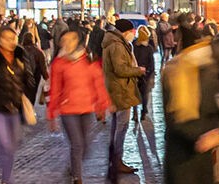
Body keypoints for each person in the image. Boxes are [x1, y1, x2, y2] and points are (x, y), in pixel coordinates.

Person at [162, 19, 219, 184]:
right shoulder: (175, 73)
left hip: (202, 155)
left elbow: (215, 106)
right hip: (182, 155)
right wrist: (201, 136)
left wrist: (217, 130)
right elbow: (175, 117)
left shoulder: (207, 71)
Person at [47, 29, 110, 184]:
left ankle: (73, 168)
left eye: (71, 40)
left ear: (77, 41)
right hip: (68, 109)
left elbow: (98, 83)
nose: (67, 44)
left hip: (87, 107)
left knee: (86, 145)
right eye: (64, 41)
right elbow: (55, 88)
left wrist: (103, 105)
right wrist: (51, 114)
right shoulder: (59, 63)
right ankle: (77, 178)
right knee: (77, 143)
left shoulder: (87, 59)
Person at [102, 18, 145, 181]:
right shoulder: (117, 45)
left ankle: (115, 159)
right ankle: (116, 160)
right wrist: (138, 70)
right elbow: (120, 69)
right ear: (125, 32)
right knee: (121, 126)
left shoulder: (113, 43)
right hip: (120, 90)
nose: (133, 34)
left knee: (117, 126)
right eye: (131, 32)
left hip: (118, 89)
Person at [0, 27, 26, 183]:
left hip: (14, 106)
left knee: (12, 146)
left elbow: (27, 80)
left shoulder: (19, 55)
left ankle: (6, 176)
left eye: (13, 38)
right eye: (7, 38)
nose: (10, 41)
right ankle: (8, 180)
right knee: (6, 144)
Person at [133, 25, 156, 123]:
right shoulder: (149, 48)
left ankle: (135, 113)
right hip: (146, 73)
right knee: (145, 94)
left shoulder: (134, 46)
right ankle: (143, 111)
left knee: (134, 94)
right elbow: (151, 62)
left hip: (135, 73)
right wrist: (149, 72)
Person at [19, 31, 47, 105]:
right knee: (31, 97)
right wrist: (46, 77)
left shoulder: (20, 51)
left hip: (22, 77)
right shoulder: (38, 52)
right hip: (35, 78)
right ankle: (29, 111)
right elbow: (43, 67)